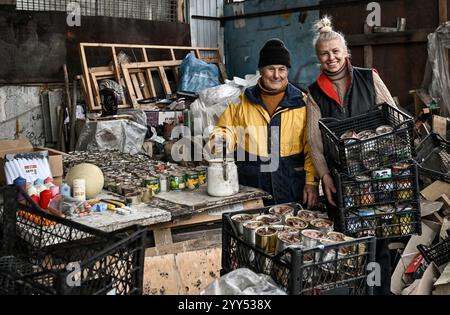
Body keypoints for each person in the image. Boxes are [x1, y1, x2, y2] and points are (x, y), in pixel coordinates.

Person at [306, 16, 397, 295]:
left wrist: (392, 161)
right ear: (318, 58)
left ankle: (378, 292)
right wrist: (324, 177)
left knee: (378, 240)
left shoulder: (369, 77)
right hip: (342, 181)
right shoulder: (313, 93)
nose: (331, 57)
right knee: (349, 243)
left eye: (335, 51)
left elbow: (393, 116)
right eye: (324, 54)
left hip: (376, 174)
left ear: (346, 51)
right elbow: (314, 141)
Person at [209, 38, 319, 208]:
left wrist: (311, 182)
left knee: (290, 229)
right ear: (261, 70)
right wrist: (221, 139)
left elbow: (311, 146)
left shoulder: (301, 103)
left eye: (282, 69)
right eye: (271, 69)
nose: (277, 75)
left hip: (290, 184)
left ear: (287, 71)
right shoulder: (242, 101)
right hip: (252, 184)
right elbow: (226, 128)